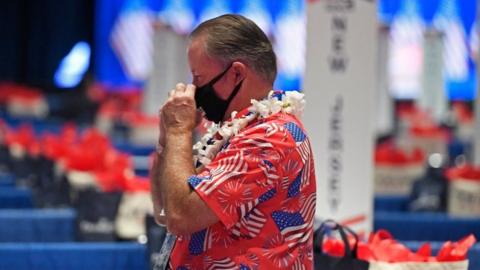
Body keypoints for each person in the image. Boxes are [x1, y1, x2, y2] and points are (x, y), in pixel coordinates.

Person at [150, 14, 316, 270]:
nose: (193, 90)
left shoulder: (271, 138)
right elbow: (164, 209)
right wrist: (166, 143)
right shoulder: (234, 129)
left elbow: (181, 216)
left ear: (236, 73)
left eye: (199, 78)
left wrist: (179, 132)